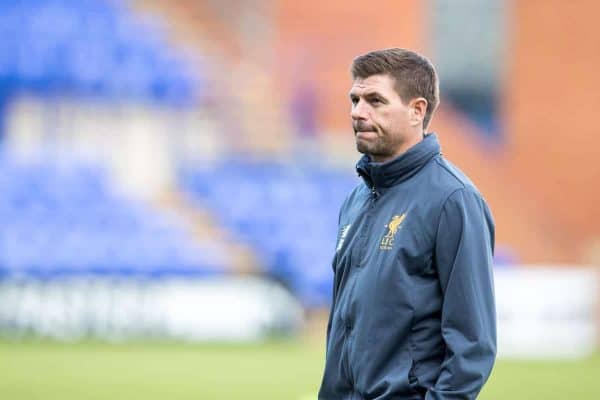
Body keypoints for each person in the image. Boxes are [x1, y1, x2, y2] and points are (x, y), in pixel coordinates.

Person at [318, 48, 496, 400]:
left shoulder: (453, 200)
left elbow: (473, 344)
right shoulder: (357, 199)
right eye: (355, 99)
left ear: (417, 110)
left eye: (375, 101)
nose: (357, 112)